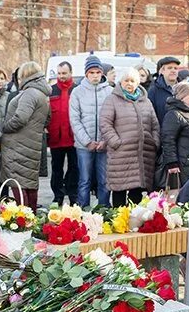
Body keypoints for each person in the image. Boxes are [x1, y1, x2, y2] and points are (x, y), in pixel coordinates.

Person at [100, 67, 159, 206]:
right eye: (126, 80)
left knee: (136, 190)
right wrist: (115, 142)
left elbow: (155, 124)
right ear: (121, 82)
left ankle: (135, 222)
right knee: (119, 189)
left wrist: (154, 141)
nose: (129, 84)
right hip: (121, 153)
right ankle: (119, 221)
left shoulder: (146, 101)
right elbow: (105, 123)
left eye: (132, 81)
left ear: (137, 83)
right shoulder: (112, 100)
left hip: (142, 154)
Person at [0, 62, 51, 208]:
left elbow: (20, 118)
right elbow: (47, 119)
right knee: (30, 185)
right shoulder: (42, 94)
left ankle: (24, 224)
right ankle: (31, 221)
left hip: (18, 147)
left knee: (19, 186)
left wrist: (4, 127)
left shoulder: (30, 93)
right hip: (32, 145)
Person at [70, 55, 113, 208]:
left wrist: (105, 141)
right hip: (84, 146)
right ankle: (83, 211)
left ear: (102, 73)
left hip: (104, 144)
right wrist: (87, 141)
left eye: (97, 72)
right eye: (91, 72)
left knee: (104, 180)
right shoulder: (77, 92)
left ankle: (104, 211)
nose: (95, 75)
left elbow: (113, 118)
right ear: (86, 74)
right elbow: (75, 119)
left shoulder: (110, 92)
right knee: (84, 180)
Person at [160, 81, 189, 202]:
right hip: (181, 163)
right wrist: (172, 163)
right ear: (181, 96)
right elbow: (167, 139)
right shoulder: (174, 114)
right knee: (180, 196)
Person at [47, 61, 78, 205]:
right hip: (56, 137)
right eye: (59, 73)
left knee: (74, 167)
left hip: (74, 137)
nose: (61, 76)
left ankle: (73, 194)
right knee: (56, 168)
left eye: (64, 73)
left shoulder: (77, 90)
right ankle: (58, 195)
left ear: (70, 73)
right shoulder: (50, 91)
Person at [148, 55, 180, 124]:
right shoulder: (153, 90)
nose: (173, 70)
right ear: (162, 71)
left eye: (175, 68)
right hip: (162, 132)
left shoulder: (184, 88)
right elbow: (150, 116)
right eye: (169, 68)